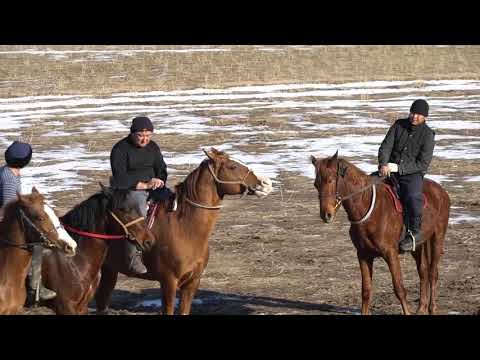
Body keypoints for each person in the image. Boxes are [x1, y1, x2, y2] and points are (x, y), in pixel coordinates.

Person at [110, 116, 176, 275]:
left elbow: (161, 168)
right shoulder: (120, 149)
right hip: (128, 189)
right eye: (140, 135)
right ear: (132, 133)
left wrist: (160, 179)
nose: (144, 139)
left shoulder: (153, 147)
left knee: (173, 202)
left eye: (148, 135)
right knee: (139, 206)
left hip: (153, 186)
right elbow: (119, 177)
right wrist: (143, 185)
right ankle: (133, 256)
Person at [0, 141, 57, 304]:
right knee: (36, 245)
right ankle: (35, 287)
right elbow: (7, 207)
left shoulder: (8, 171)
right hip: (3, 222)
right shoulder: (10, 178)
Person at [378, 99, 435, 252]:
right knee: (369, 185)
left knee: (412, 196)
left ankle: (414, 233)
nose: (414, 116)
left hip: (412, 174)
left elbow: (422, 164)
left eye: (419, 114)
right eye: (413, 113)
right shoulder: (398, 125)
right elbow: (385, 146)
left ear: (425, 117)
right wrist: (383, 164)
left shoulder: (428, 135)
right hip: (388, 170)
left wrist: (398, 168)